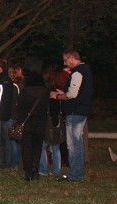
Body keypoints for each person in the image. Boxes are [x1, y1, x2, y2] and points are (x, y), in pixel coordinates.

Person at [50, 50, 93, 182]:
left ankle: (75, 175)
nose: (64, 63)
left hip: (75, 112)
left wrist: (57, 96)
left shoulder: (78, 72)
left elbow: (73, 94)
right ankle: (76, 173)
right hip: (80, 110)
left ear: (72, 58)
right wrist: (65, 92)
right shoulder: (85, 70)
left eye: (65, 60)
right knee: (76, 144)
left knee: (73, 145)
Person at [13, 67, 48, 182]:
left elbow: (20, 107)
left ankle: (28, 171)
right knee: (37, 147)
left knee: (26, 148)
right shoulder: (45, 92)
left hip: (27, 123)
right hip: (40, 123)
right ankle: (35, 167)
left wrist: (18, 122)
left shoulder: (25, 91)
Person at [38, 66, 64, 177]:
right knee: (55, 145)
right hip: (56, 119)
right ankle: (56, 170)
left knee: (43, 144)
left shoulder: (47, 91)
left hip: (47, 119)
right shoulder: (59, 90)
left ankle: (43, 169)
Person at [6, 63, 25, 168]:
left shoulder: (13, 86)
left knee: (12, 139)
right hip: (18, 115)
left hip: (12, 115)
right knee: (15, 140)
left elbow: (12, 102)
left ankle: (13, 163)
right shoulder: (21, 85)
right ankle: (15, 162)